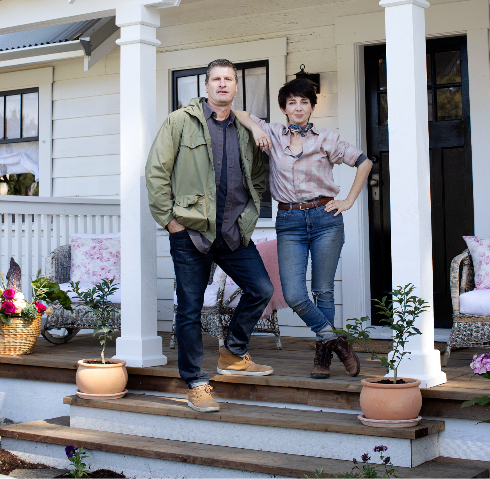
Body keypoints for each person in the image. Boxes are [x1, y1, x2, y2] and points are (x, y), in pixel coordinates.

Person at [145, 59, 274, 413]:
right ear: (205, 86)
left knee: (262, 289)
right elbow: (156, 172)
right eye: (215, 79)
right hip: (191, 232)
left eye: (228, 79)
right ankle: (195, 382)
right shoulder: (179, 122)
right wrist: (170, 221)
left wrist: (250, 211)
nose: (222, 85)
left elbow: (258, 175)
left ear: (235, 86)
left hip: (232, 233)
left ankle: (232, 353)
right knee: (189, 309)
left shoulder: (244, 128)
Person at [235, 79, 373, 380]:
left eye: (304, 102)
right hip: (289, 222)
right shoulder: (271, 132)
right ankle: (335, 339)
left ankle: (322, 357)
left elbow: (364, 162)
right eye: (292, 102)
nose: (299, 108)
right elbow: (239, 114)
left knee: (323, 290)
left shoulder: (327, 138)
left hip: (326, 219)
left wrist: (348, 200)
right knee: (295, 292)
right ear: (284, 108)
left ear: (311, 107)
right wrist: (257, 128)